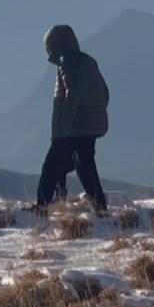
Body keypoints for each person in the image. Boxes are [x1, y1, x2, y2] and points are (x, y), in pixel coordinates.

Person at [37, 25, 109, 213]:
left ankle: (42, 207)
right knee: (84, 165)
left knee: (51, 166)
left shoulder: (67, 62)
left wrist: (64, 128)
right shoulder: (88, 61)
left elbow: (72, 94)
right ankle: (99, 205)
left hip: (73, 128)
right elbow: (105, 92)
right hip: (91, 125)